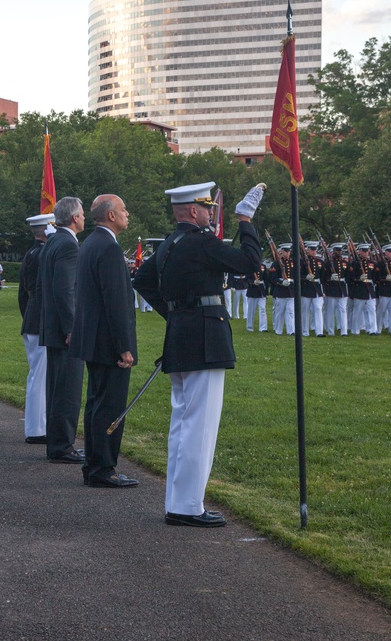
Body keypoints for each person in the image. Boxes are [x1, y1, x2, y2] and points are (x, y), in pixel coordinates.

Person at [133, 181, 264, 528]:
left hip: (181, 337)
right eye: (207, 208)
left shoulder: (169, 244)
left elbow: (143, 281)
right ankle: (188, 506)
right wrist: (245, 220)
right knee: (199, 427)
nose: (210, 213)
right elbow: (251, 261)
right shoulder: (202, 242)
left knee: (183, 424)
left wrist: (177, 313)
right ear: (194, 210)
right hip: (205, 339)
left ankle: (179, 502)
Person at [68, 194, 138, 488]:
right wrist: (124, 346)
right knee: (109, 406)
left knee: (96, 404)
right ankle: (103, 468)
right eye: (123, 209)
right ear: (111, 215)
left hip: (94, 339)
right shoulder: (108, 247)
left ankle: (94, 465)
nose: (127, 214)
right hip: (109, 343)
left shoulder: (90, 244)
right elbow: (115, 302)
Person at [36, 196, 85, 464]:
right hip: (64, 330)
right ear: (74, 218)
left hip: (52, 326)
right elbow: (66, 290)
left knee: (56, 388)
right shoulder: (68, 244)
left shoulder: (53, 241)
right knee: (67, 390)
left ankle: (57, 443)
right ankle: (63, 446)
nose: (85, 218)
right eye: (82, 214)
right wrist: (71, 328)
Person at [18, 213, 53, 444]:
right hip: (40, 318)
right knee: (40, 376)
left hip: (32, 316)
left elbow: (23, 294)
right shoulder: (42, 255)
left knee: (37, 374)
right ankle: (37, 429)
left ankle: (37, 426)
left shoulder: (31, 253)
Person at [298, 241, 325, 337]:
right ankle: (305, 331)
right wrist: (305, 278)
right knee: (305, 311)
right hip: (306, 288)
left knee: (318, 309)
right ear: (307, 250)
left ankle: (319, 331)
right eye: (312, 250)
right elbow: (297, 275)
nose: (314, 252)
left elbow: (323, 277)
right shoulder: (301, 261)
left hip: (317, 288)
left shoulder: (319, 262)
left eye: (315, 250)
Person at [245, 261, 269, 332]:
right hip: (253, 291)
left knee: (262, 309)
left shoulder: (263, 266)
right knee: (251, 310)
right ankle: (249, 327)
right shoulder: (249, 266)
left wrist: (266, 292)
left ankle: (263, 327)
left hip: (261, 290)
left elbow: (266, 279)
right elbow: (246, 278)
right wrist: (252, 282)